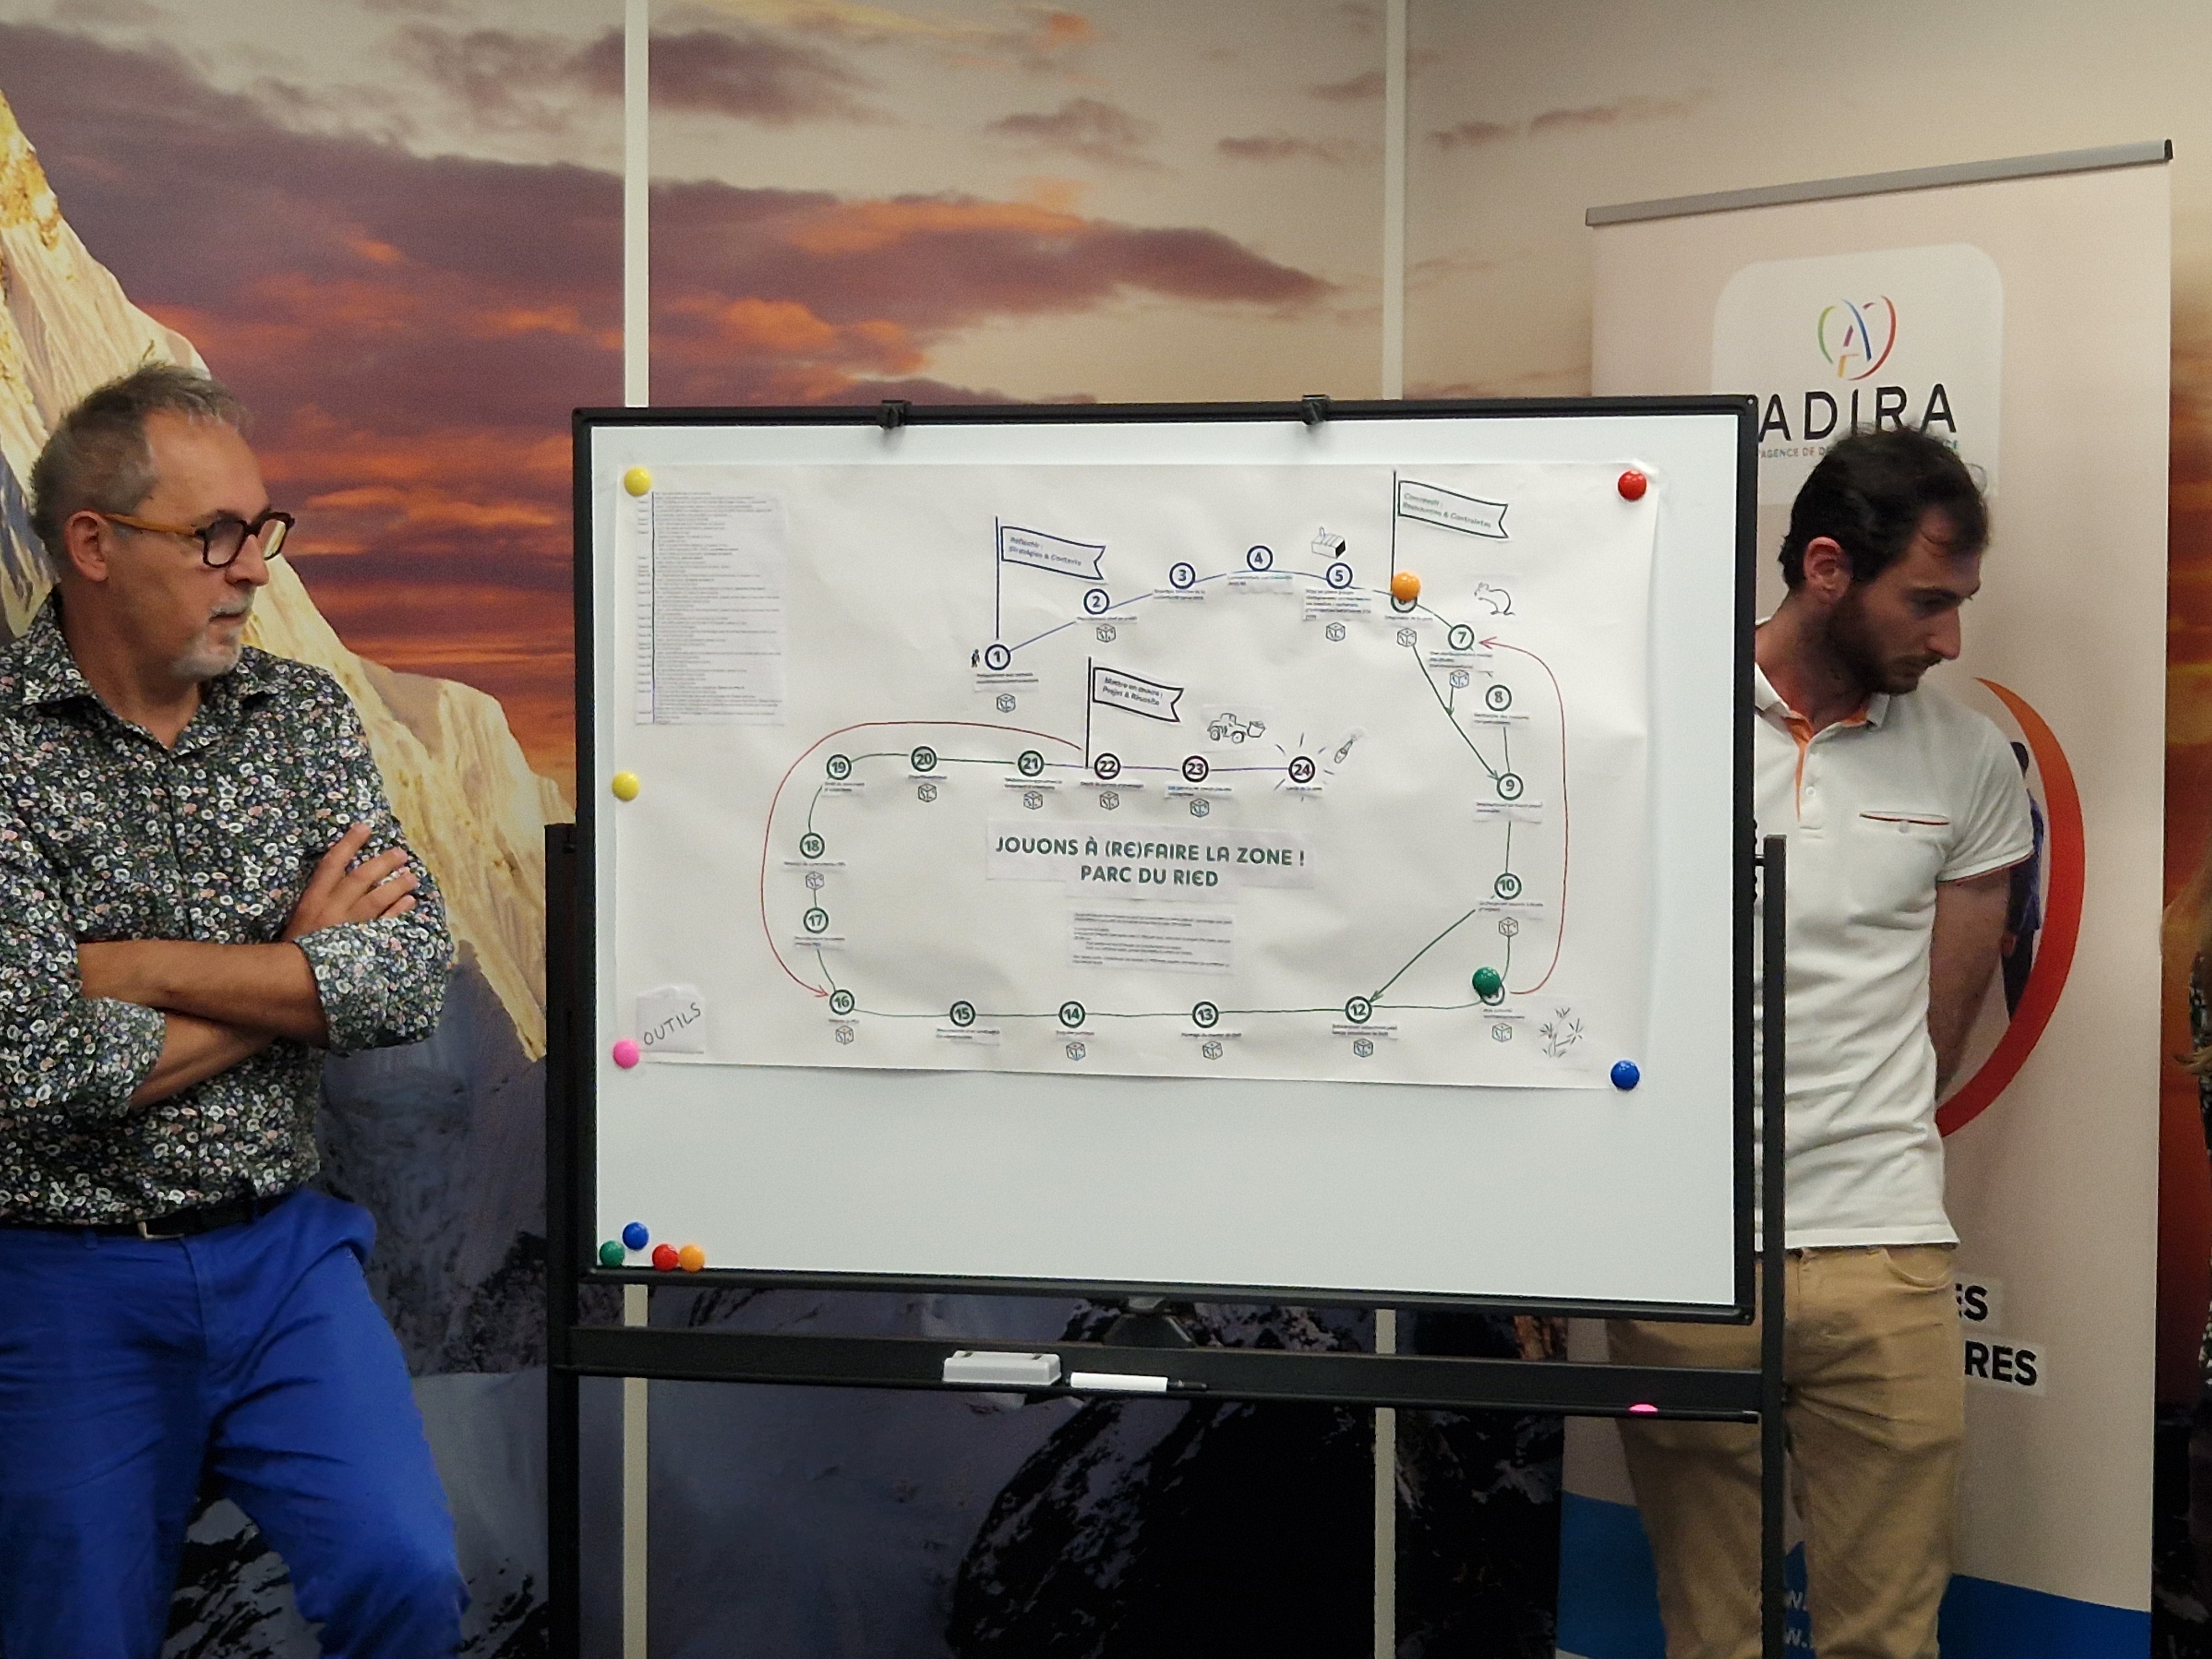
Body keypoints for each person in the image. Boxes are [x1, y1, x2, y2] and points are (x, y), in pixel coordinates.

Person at [0, 365, 463, 1655]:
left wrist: (139, 966)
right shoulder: (6, 753)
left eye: (262, 529)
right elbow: (34, 1065)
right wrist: (301, 973)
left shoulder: (299, 718)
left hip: (284, 1259)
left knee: (406, 1575)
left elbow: (406, 971)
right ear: (94, 545)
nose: (255, 568)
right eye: (215, 535)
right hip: (59, 1277)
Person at [1610, 427, 2032, 1659]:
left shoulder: (1967, 759)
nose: (1950, 641)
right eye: (1929, 602)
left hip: (1883, 1252)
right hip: (1690, 1258)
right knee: (1712, 1633)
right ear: (1828, 568)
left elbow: (1939, 1027)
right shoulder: (1661, 721)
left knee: (1888, 1641)